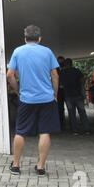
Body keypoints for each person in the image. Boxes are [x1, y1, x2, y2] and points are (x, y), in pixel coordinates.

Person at [7, 25, 60, 177]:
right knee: (45, 132)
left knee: (20, 131)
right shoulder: (47, 51)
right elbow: (55, 75)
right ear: (39, 38)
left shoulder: (18, 51)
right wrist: (54, 93)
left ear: (25, 38)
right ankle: (41, 167)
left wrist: (18, 91)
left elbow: (10, 75)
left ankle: (16, 165)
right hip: (47, 99)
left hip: (27, 99)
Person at [60, 58, 91, 135]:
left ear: (65, 64)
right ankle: (87, 130)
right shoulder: (77, 71)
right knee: (82, 113)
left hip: (68, 96)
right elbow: (82, 80)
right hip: (78, 95)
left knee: (71, 114)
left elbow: (61, 85)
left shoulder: (62, 72)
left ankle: (75, 130)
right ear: (71, 63)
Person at [57, 56, 66, 130]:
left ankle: (62, 122)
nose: (60, 63)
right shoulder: (55, 69)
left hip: (68, 91)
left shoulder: (67, 69)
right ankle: (61, 123)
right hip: (59, 92)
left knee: (70, 108)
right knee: (60, 108)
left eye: (62, 62)